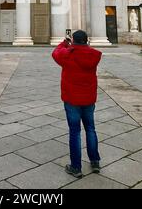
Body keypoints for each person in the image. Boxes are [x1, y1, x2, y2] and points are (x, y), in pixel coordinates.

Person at [52, 30, 102, 178]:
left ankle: (76, 167)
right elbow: (87, 50)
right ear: (87, 41)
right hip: (88, 99)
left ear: (73, 41)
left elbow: (56, 53)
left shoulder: (68, 54)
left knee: (75, 132)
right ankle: (95, 162)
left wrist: (64, 43)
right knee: (91, 129)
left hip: (72, 99)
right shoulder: (93, 55)